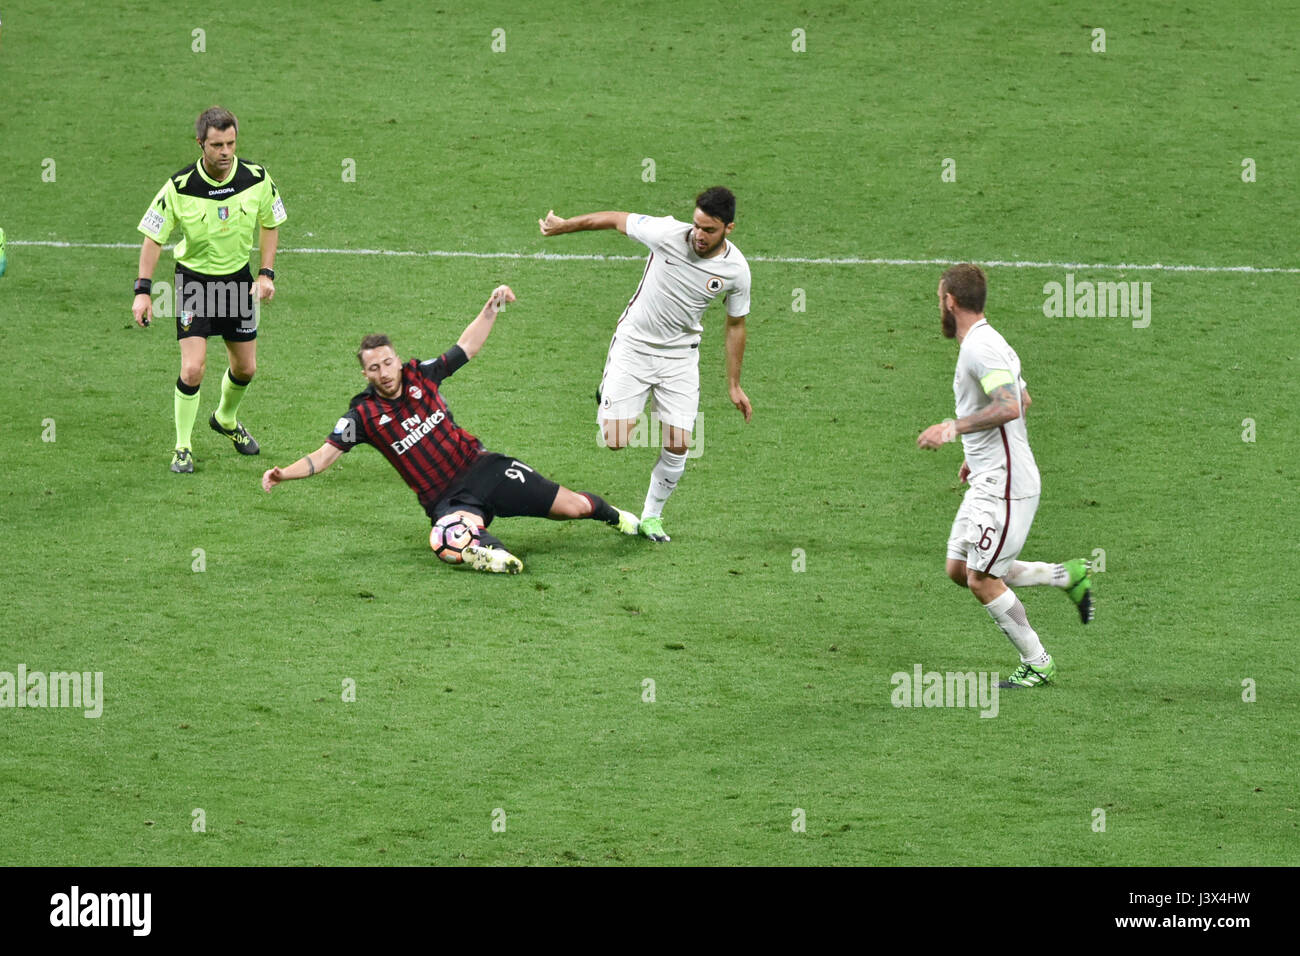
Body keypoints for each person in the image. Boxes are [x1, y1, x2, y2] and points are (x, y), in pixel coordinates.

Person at [261, 286, 641, 573]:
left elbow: (466, 348)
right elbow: (323, 456)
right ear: (365, 373)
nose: (385, 373)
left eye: (388, 363)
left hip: (485, 469)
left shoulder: (420, 375)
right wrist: (284, 473)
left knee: (574, 508)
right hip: (448, 500)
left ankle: (620, 518)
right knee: (447, 535)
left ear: (396, 359)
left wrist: (492, 308)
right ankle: (491, 552)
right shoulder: (363, 416)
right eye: (375, 368)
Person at [538, 186, 752, 542]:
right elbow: (614, 219)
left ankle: (652, 516)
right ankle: (608, 390)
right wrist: (564, 226)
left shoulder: (736, 271)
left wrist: (733, 384)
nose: (698, 235)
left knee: (680, 442)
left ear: (729, 228)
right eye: (697, 225)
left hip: (680, 356)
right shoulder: (667, 233)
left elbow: (735, 325)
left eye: (709, 230)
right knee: (615, 440)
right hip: (635, 346)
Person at [917, 263, 1093, 690]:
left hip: (1005, 487)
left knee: (982, 580)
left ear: (950, 301)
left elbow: (1012, 405)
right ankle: (1063, 575)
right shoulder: (990, 342)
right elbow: (1025, 398)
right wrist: (976, 453)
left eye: (939, 298)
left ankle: (1037, 661)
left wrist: (954, 429)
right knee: (959, 568)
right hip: (989, 475)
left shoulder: (981, 349)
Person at [133, 106, 287, 473]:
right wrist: (142, 291)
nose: (225, 152)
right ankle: (182, 446)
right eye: (217, 144)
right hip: (194, 284)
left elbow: (271, 222)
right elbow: (153, 239)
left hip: (237, 282)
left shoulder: (257, 178)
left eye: (231, 143)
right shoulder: (180, 186)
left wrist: (266, 273)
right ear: (200, 143)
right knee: (193, 369)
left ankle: (225, 419)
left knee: (246, 369)